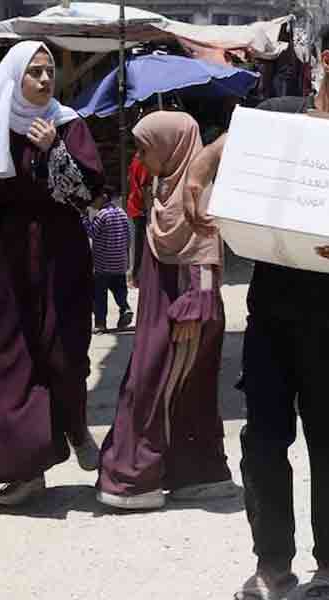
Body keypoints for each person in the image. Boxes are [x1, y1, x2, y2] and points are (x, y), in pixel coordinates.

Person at [184, 17, 329, 600]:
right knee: (263, 440)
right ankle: (272, 566)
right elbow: (219, 150)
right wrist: (196, 180)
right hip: (272, 310)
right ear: (326, 60)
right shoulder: (280, 113)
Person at [0, 41, 104, 505]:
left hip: (62, 258)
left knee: (65, 354)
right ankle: (26, 471)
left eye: (49, 71)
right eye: (34, 72)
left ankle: (75, 427)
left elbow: (86, 197)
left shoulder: (68, 125)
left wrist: (53, 150)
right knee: (7, 363)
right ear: (15, 78)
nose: (45, 79)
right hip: (9, 265)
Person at [96, 111, 236, 511]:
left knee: (152, 389)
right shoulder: (167, 189)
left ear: (169, 146)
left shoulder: (196, 193)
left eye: (145, 148)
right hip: (167, 311)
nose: (140, 158)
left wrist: (196, 309)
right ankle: (198, 474)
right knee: (179, 393)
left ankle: (136, 478)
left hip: (185, 317)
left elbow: (205, 258)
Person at [83, 188, 133, 333]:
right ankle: (125, 308)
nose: (92, 201)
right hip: (120, 262)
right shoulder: (122, 213)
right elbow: (128, 237)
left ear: (104, 197)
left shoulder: (102, 215)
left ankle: (100, 324)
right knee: (119, 289)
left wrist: (85, 219)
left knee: (99, 295)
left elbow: (92, 232)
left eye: (95, 198)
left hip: (103, 264)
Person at [126, 151, 152, 286]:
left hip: (135, 206)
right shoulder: (144, 161)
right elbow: (145, 187)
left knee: (138, 244)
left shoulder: (136, 158)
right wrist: (149, 210)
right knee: (141, 245)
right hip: (141, 208)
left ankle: (135, 277)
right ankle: (137, 278)